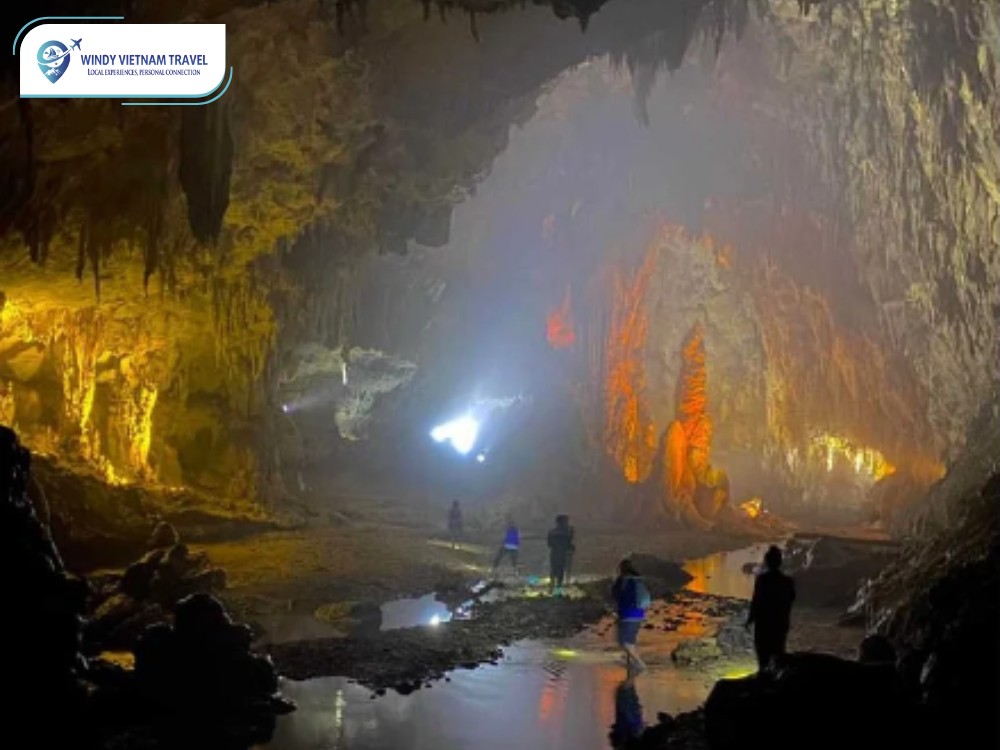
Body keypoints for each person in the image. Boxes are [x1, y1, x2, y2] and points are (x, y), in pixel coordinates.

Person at [745, 545, 796, 671]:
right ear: (780, 561)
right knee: (778, 655)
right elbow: (791, 600)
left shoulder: (762, 580)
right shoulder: (787, 581)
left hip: (764, 625)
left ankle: (763, 677)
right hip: (779, 625)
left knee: (763, 658)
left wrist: (750, 619)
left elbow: (756, 601)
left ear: (767, 561)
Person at [612, 558, 650, 673]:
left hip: (627, 614)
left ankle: (641, 665)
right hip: (639, 613)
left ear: (621, 568)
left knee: (625, 643)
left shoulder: (622, 580)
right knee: (630, 641)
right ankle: (630, 664)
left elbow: (616, 595)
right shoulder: (638, 580)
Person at [608, 676, 644, 748]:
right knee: (625, 691)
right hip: (629, 716)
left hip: (630, 717)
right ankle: (632, 675)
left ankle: (632, 675)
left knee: (625, 691)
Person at [547, 514, 575, 594]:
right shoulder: (566, 532)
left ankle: (551, 588)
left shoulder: (552, 532)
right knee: (561, 571)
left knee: (553, 570)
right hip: (562, 554)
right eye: (566, 521)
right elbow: (569, 543)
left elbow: (549, 544)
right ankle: (558, 590)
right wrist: (571, 533)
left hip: (554, 553)